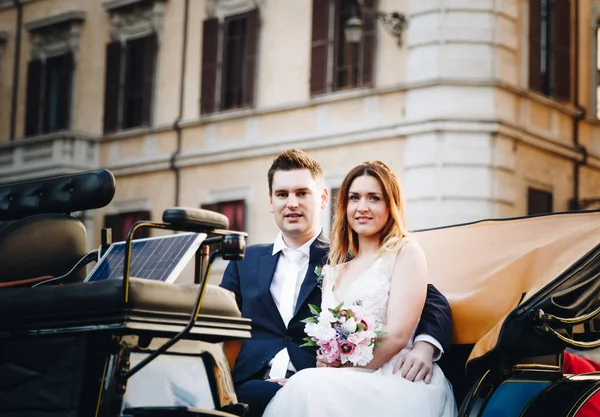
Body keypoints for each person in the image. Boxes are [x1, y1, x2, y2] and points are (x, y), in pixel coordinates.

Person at [220, 150, 453, 417]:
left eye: (302, 193)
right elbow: (216, 318)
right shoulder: (245, 260)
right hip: (254, 380)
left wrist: (426, 345)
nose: (292, 203)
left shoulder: (345, 257)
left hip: (320, 381)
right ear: (271, 201)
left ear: (322, 199)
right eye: (282, 194)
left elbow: (431, 300)